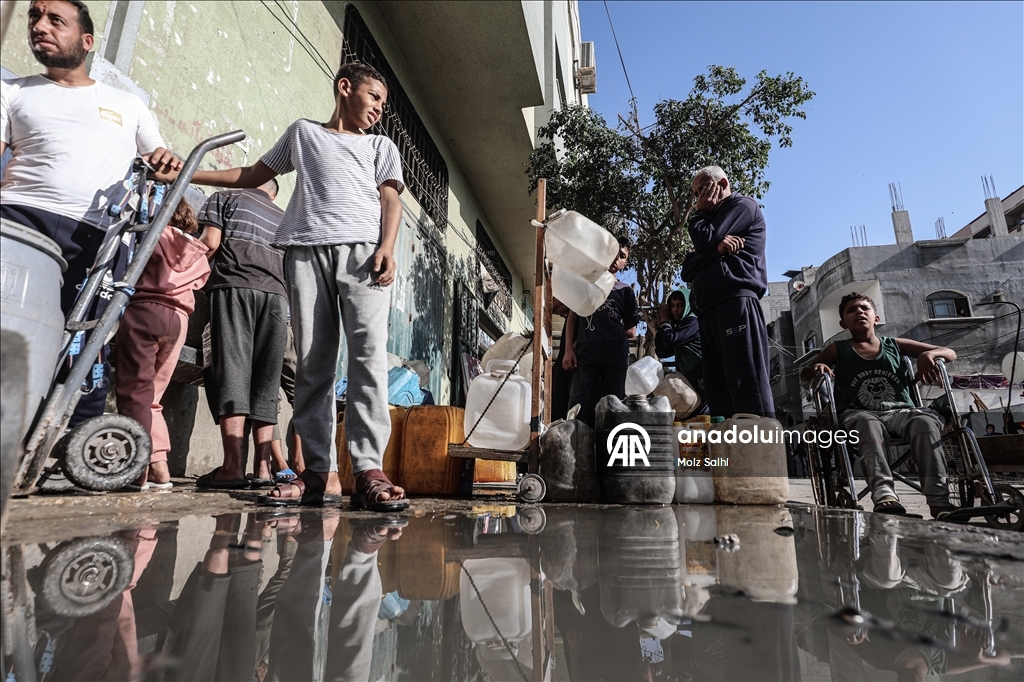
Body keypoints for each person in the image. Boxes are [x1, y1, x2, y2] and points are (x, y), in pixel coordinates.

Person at [161, 62, 407, 510]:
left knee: (368, 356)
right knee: (313, 360)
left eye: (383, 105)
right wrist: (186, 173)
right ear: (345, 88)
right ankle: (317, 471)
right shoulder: (304, 134)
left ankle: (369, 468)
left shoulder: (381, 146)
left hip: (364, 255)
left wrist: (388, 245)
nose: (378, 110)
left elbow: (391, 198)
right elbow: (252, 175)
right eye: (374, 98)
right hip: (306, 251)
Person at [0, 0, 180, 424]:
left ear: (86, 41)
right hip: (21, 221)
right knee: (12, 325)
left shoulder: (127, 104)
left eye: (54, 20)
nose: (40, 26)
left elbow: (157, 156)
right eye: (34, 18)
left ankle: (74, 438)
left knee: (86, 337)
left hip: (98, 235)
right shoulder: (13, 92)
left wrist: (165, 163)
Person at [802, 292, 957, 519]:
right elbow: (805, 375)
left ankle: (939, 501)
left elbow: (950, 352)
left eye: (864, 308)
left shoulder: (894, 344)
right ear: (843, 323)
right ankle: (884, 495)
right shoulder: (838, 349)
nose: (859, 312)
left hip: (903, 410)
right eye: (852, 310)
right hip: (858, 413)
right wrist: (818, 368)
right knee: (867, 424)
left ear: (876, 317)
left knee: (925, 421)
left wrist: (929, 354)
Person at [194, 178, 292, 490]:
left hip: (235, 287)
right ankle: (263, 470)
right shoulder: (284, 218)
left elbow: (210, 242)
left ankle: (232, 468)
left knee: (232, 371)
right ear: (274, 193)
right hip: (278, 298)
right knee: (266, 382)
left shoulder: (225, 197)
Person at [113, 200, 209, 489]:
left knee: (134, 392)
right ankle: (159, 468)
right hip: (179, 320)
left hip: (145, 312)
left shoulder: (152, 235)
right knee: (153, 396)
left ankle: (136, 471)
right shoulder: (196, 250)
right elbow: (201, 280)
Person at [681, 165, 774, 418]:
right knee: (718, 389)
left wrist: (700, 217)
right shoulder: (713, 221)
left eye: (703, 190)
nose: (699, 199)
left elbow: (702, 240)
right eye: (696, 194)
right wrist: (718, 248)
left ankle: (762, 452)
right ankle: (731, 453)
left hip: (735, 302)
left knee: (746, 381)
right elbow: (687, 270)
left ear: (721, 184)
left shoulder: (741, 206)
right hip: (708, 310)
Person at [562, 236, 639, 426]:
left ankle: (609, 454)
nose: (616, 259)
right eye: (613, 253)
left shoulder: (625, 291)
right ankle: (575, 452)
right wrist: (568, 350)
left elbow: (632, 331)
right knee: (577, 409)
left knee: (613, 412)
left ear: (625, 263)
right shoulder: (587, 283)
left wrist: (609, 328)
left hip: (615, 360)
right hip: (585, 357)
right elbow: (573, 316)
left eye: (621, 256)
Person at [653, 288, 706, 414]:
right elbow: (662, 351)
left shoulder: (693, 322)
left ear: (687, 306)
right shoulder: (679, 327)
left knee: (702, 413)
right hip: (687, 376)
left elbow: (671, 340)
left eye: (680, 306)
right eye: (672, 306)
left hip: (701, 374)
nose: (675, 310)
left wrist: (665, 322)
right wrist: (661, 325)